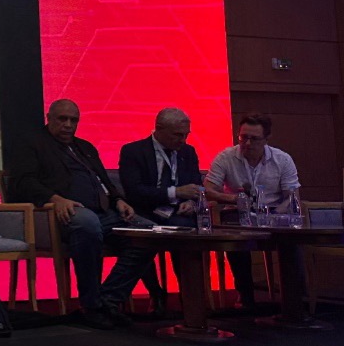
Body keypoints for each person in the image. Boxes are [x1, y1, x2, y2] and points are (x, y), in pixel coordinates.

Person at [7, 99, 156, 329]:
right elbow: (22, 182)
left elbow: (104, 182)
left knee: (148, 232)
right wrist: (55, 199)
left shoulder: (85, 148)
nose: (68, 125)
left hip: (104, 212)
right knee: (87, 223)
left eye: (73, 120)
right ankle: (91, 305)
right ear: (49, 118)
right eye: (62, 119)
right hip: (61, 214)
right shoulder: (32, 144)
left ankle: (107, 300)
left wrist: (118, 200)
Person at [204, 112, 302, 309]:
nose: (247, 143)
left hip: (273, 212)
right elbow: (208, 190)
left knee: (292, 239)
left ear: (266, 139)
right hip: (237, 211)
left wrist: (277, 215)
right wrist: (234, 198)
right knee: (233, 236)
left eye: (254, 139)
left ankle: (295, 300)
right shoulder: (226, 157)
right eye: (243, 137)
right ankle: (245, 295)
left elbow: (292, 196)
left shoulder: (282, 159)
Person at [118, 107, 203, 314]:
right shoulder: (133, 151)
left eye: (186, 135)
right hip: (144, 211)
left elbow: (197, 185)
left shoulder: (188, 152)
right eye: (177, 135)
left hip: (177, 212)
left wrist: (191, 202)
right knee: (143, 236)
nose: (182, 140)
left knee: (186, 232)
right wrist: (175, 192)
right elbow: (134, 191)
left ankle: (189, 297)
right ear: (159, 129)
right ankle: (155, 292)